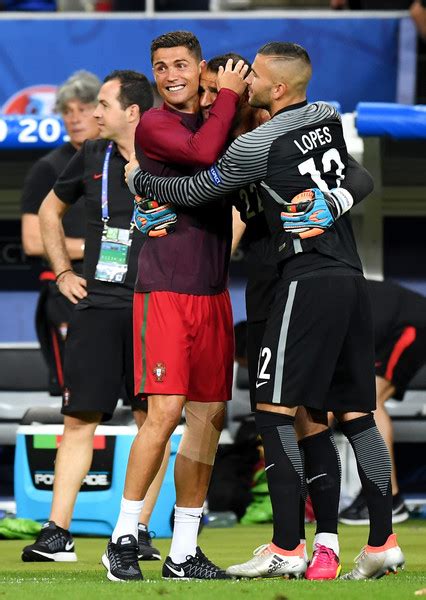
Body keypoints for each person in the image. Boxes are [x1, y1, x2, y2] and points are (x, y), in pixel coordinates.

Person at [127, 41, 405, 580]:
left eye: (226, 87)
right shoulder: (314, 120)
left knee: (277, 411)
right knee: (338, 414)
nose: (218, 99)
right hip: (332, 279)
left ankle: (288, 545)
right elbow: (354, 175)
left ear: (264, 89)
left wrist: (139, 179)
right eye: (212, 91)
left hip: (298, 281)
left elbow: (200, 183)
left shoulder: (253, 143)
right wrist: (145, 215)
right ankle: (371, 540)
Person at [181, 51, 378, 581]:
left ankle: (319, 543)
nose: (207, 102)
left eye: (213, 90)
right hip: (268, 282)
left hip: (297, 273)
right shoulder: (224, 142)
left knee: (302, 413)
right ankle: (297, 544)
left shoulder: (274, 133)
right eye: (204, 94)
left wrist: (331, 200)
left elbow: (357, 175)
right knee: (289, 413)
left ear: (245, 87)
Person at [102, 31, 249, 583]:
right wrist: (229, 94)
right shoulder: (156, 125)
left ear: (200, 68)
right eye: (161, 67)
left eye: (181, 64)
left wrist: (228, 95)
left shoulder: (219, 121)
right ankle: (123, 537)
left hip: (213, 294)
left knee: (208, 419)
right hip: (163, 291)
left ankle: (184, 549)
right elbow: (204, 156)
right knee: (162, 415)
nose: (171, 75)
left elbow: (227, 153)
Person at [21, 70, 168, 564]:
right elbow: (47, 213)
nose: (93, 114)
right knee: (79, 418)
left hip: (156, 306)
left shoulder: (169, 156)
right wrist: (63, 271)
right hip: (99, 305)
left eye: (103, 105)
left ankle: (137, 531)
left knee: (155, 420)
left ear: (133, 112)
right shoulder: (90, 156)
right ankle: (56, 532)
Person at [21, 70, 100, 396]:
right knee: (78, 395)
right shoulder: (49, 168)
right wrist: (98, 247)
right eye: (67, 111)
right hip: (68, 291)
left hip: (120, 291)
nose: (75, 118)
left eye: (83, 108)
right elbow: (33, 241)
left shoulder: (121, 160)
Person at [340, 279, 426, 525]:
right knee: (360, 403)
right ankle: (379, 492)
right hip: (385, 327)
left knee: (370, 403)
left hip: (407, 321)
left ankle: (387, 498)